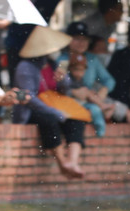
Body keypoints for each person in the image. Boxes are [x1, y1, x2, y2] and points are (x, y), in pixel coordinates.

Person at [13, 25, 86, 179]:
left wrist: (63, 80)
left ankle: (73, 161)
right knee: (50, 120)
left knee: (76, 120)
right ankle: (62, 163)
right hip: (32, 110)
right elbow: (27, 97)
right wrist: (53, 112)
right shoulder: (25, 67)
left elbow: (63, 91)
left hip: (54, 105)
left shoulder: (52, 65)